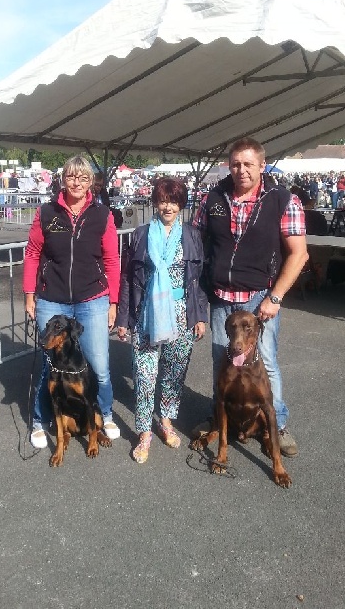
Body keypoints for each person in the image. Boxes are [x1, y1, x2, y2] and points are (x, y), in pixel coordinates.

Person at [192, 137, 308, 457]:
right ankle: (218, 417)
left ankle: (278, 424)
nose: (241, 170)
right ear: (228, 166)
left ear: (261, 164)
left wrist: (276, 297)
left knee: (265, 362)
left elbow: (298, 254)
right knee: (222, 360)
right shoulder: (212, 198)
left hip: (259, 297)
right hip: (220, 296)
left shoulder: (283, 200)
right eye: (235, 164)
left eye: (248, 164)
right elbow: (195, 243)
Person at [23, 155, 121, 448]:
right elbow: (32, 254)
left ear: (91, 182)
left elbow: (112, 261)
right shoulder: (46, 212)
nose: (76, 183)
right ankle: (40, 420)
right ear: (62, 179)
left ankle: (105, 413)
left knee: (99, 364)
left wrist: (113, 302)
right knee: (47, 364)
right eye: (71, 177)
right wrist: (29, 294)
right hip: (52, 299)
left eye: (83, 178)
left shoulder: (102, 215)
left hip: (93, 298)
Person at [117, 177, 208, 463]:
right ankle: (144, 431)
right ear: (155, 202)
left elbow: (199, 280)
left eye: (173, 200)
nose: (167, 206)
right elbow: (128, 278)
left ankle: (166, 420)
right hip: (147, 313)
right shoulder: (141, 234)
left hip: (181, 312)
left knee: (173, 373)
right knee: (145, 376)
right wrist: (123, 317)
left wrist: (200, 316)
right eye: (162, 200)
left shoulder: (192, 235)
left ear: (181, 203)